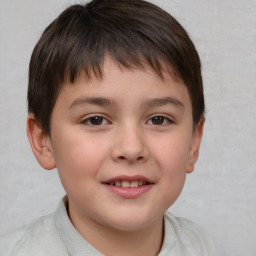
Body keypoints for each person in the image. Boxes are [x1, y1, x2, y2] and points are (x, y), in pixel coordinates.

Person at [0, 0, 217, 255]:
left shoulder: (203, 247)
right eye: (96, 120)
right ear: (43, 140)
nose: (131, 148)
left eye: (158, 119)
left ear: (193, 142)